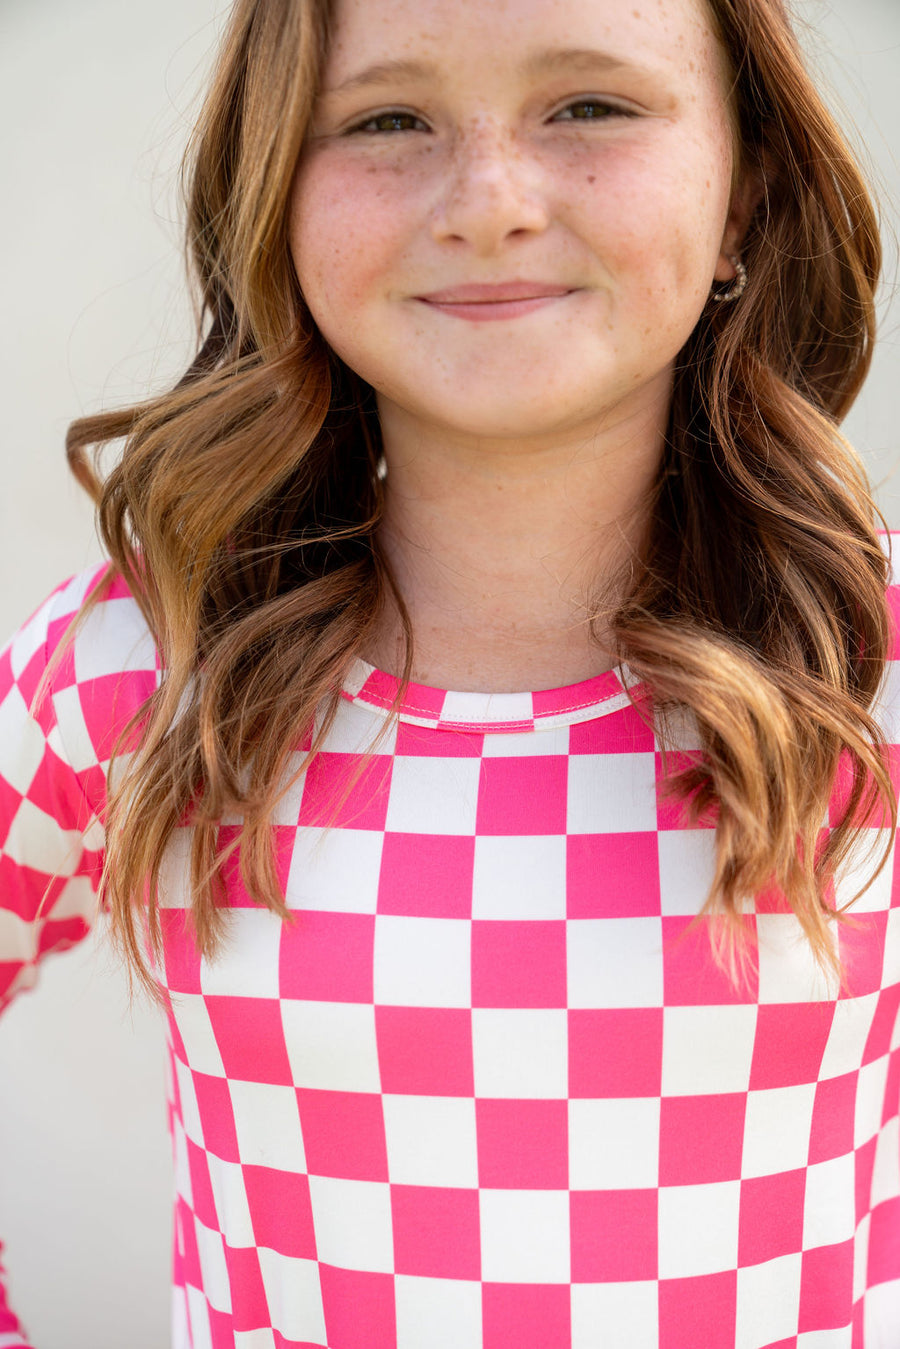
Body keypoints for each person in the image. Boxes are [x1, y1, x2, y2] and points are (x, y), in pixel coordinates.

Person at [1, 0, 898, 1344]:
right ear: (273, 197)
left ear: (745, 194)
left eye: (590, 106)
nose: (489, 204)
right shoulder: (147, 668)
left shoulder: (870, 658)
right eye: (386, 119)